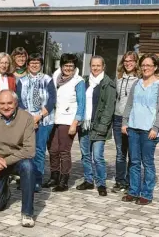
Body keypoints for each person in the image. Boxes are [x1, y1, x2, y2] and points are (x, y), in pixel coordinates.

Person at [0, 90, 36, 227]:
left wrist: (4, 162)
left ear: (16, 103)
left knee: (28, 167)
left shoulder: (26, 118)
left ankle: (27, 213)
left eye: (9, 103)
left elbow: (29, 150)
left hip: (16, 160)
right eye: (2, 103)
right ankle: (5, 191)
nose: (6, 107)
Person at [44, 53, 85, 192]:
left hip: (68, 120)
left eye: (71, 66)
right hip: (54, 118)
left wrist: (75, 123)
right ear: (61, 65)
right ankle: (54, 176)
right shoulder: (56, 77)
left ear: (75, 67)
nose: (68, 68)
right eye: (66, 65)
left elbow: (82, 104)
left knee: (64, 151)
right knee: (53, 150)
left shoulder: (78, 81)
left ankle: (64, 180)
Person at [122, 53, 159, 205]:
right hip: (133, 127)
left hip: (149, 130)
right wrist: (125, 122)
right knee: (134, 162)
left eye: (149, 65)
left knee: (147, 162)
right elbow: (129, 105)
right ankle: (133, 191)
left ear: (155, 67)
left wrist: (156, 127)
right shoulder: (137, 83)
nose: (145, 68)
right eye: (143, 65)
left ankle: (147, 194)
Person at [76, 56, 115, 196]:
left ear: (103, 66)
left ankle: (101, 183)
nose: (96, 68)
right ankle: (88, 180)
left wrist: (103, 126)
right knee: (85, 155)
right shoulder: (84, 81)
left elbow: (109, 108)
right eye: (93, 65)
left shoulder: (108, 83)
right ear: (90, 66)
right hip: (84, 124)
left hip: (99, 125)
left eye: (98, 65)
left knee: (97, 156)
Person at [16, 53, 56, 192]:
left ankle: (37, 180)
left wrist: (38, 117)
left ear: (41, 65)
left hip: (44, 121)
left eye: (37, 62)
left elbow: (51, 101)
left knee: (39, 151)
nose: (34, 65)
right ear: (28, 64)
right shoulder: (21, 81)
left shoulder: (48, 79)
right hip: (26, 121)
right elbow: (19, 101)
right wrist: (29, 118)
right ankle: (26, 179)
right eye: (32, 62)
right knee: (25, 151)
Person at [112, 51, 139, 193]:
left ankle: (130, 181)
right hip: (117, 118)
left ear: (136, 63)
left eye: (131, 61)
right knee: (120, 153)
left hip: (133, 121)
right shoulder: (118, 78)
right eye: (126, 61)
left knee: (132, 152)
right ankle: (120, 181)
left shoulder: (139, 80)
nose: (128, 63)